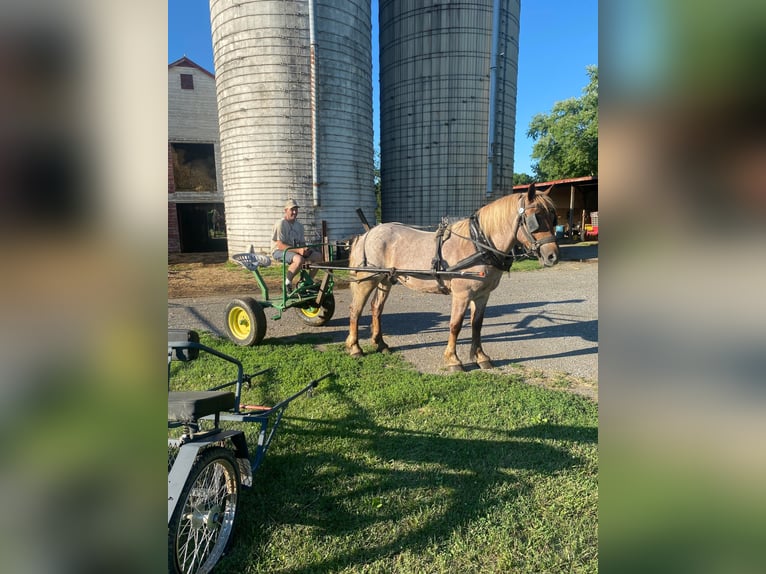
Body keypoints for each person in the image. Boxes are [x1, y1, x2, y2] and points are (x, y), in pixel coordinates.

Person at [271, 198, 322, 289]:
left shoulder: (299, 226)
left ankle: (307, 283)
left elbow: (302, 243)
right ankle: (287, 284)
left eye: (296, 209)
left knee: (318, 256)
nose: (294, 212)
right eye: (292, 210)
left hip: (294, 251)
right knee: (299, 259)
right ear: (286, 210)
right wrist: (299, 250)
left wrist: (305, 250)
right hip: (279, 251)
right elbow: (280, 245)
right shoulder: (281, 224)